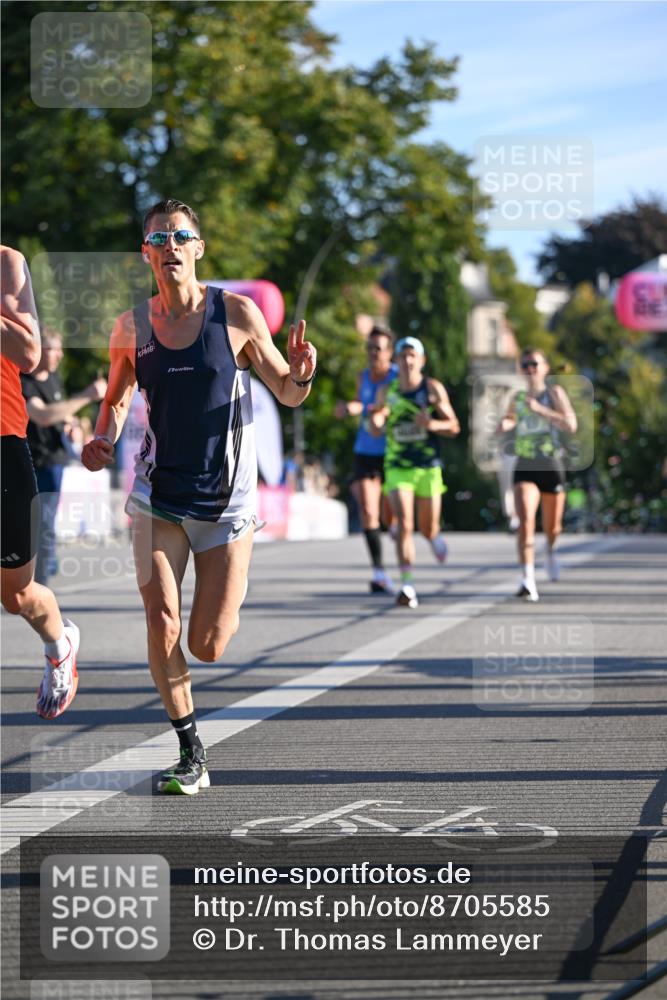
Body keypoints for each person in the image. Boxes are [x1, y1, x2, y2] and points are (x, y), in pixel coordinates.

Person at [81, 199, 316, 795]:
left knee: (207, 644)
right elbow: (114, 399)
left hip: (227, 505)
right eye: (158, 238)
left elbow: (287, 394)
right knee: (161, 623)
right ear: (146, 253)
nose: (170, 246)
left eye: (181, 236)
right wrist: (102, 439)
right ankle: (191, 751)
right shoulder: (130, 327)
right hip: (158, 496)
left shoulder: (236, 314)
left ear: (198, 248)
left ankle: (227, 595)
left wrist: (303, 372)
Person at [1, 246, 80, 719]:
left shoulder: (7, 263)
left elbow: (28, 353)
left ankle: (59, 643)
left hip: (3, 441)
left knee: (16, 594)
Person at [370, 336, 460, 609]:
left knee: (427, 526)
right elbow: (377, 420)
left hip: (428, 466)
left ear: (421, 361)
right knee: (404, 523)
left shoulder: (431, 389)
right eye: (403, 356)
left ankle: (434, 536)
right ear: (396, 361)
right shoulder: (388, 390)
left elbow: (454, 426)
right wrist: (376, 420)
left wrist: (431, 424)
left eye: (413, 356)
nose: (408, 361)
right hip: (398, 466)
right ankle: (407, 585)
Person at [21, 330, 106, 583]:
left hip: (55, 463)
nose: (58, 354)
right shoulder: (24, 382)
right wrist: (87, 396)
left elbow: (59, 412)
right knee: (38, 524)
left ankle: (43, 572)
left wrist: (72, 423)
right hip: (32, 464)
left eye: (60, 349)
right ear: (37, 350)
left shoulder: (54, 378)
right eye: (52, 349)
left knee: (46, 524)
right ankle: (38, 581)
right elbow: (44, 415)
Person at [498, 347, 577, 602]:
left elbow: (571, 424)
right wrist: (505, 424)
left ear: (545, 368)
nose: (530, 369)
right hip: (526, 463)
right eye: (525, 365)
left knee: (552, 527)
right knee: (526, 522)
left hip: (551, 464)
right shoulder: (518, 397)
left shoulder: (554, 393)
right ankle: (527, 579)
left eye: (534, 364)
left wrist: (541, 410)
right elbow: (511, 419)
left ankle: (551, 550)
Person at [335, 326, 398, 594]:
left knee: (388, 514)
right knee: (368, 512)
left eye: (378, 348)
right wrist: (351, 407)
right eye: (370, 348)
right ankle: (379, 572)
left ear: (389, 352)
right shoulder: (364, 376)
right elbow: (361, 402)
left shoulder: (398, 377)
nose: (373, 353)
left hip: (393, 452)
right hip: (365, 450)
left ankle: (394, 524)